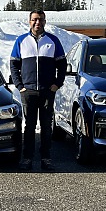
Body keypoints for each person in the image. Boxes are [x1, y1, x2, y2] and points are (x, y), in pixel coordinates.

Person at [10, 10, 67, 171]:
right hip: (28, 92)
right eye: (34, 19)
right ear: (29, 22)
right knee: (29, 126)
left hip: (47, 91)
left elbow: (62, 65)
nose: (37, 22)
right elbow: (14, 64)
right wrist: (19, 86)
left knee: (46, 126)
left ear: (44, 21)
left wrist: (57, 84)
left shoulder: (53, 40)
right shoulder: (21, 41)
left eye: (40, 20)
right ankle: (27, 158)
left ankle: (46, 158)